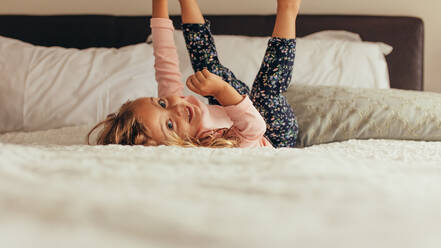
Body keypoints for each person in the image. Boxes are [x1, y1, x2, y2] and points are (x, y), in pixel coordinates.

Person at [88, 0, 301, 148]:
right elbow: (254, 128)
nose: (177, 107)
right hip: (274, 136)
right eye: (170, 125)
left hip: (241, 110)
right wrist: (220, 90)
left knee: (207, 70)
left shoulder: (175, 104)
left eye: (161, 103)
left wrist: (159, 3)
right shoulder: (210, 144)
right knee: (265, 93)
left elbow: (165, 59)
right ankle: (288, 9)